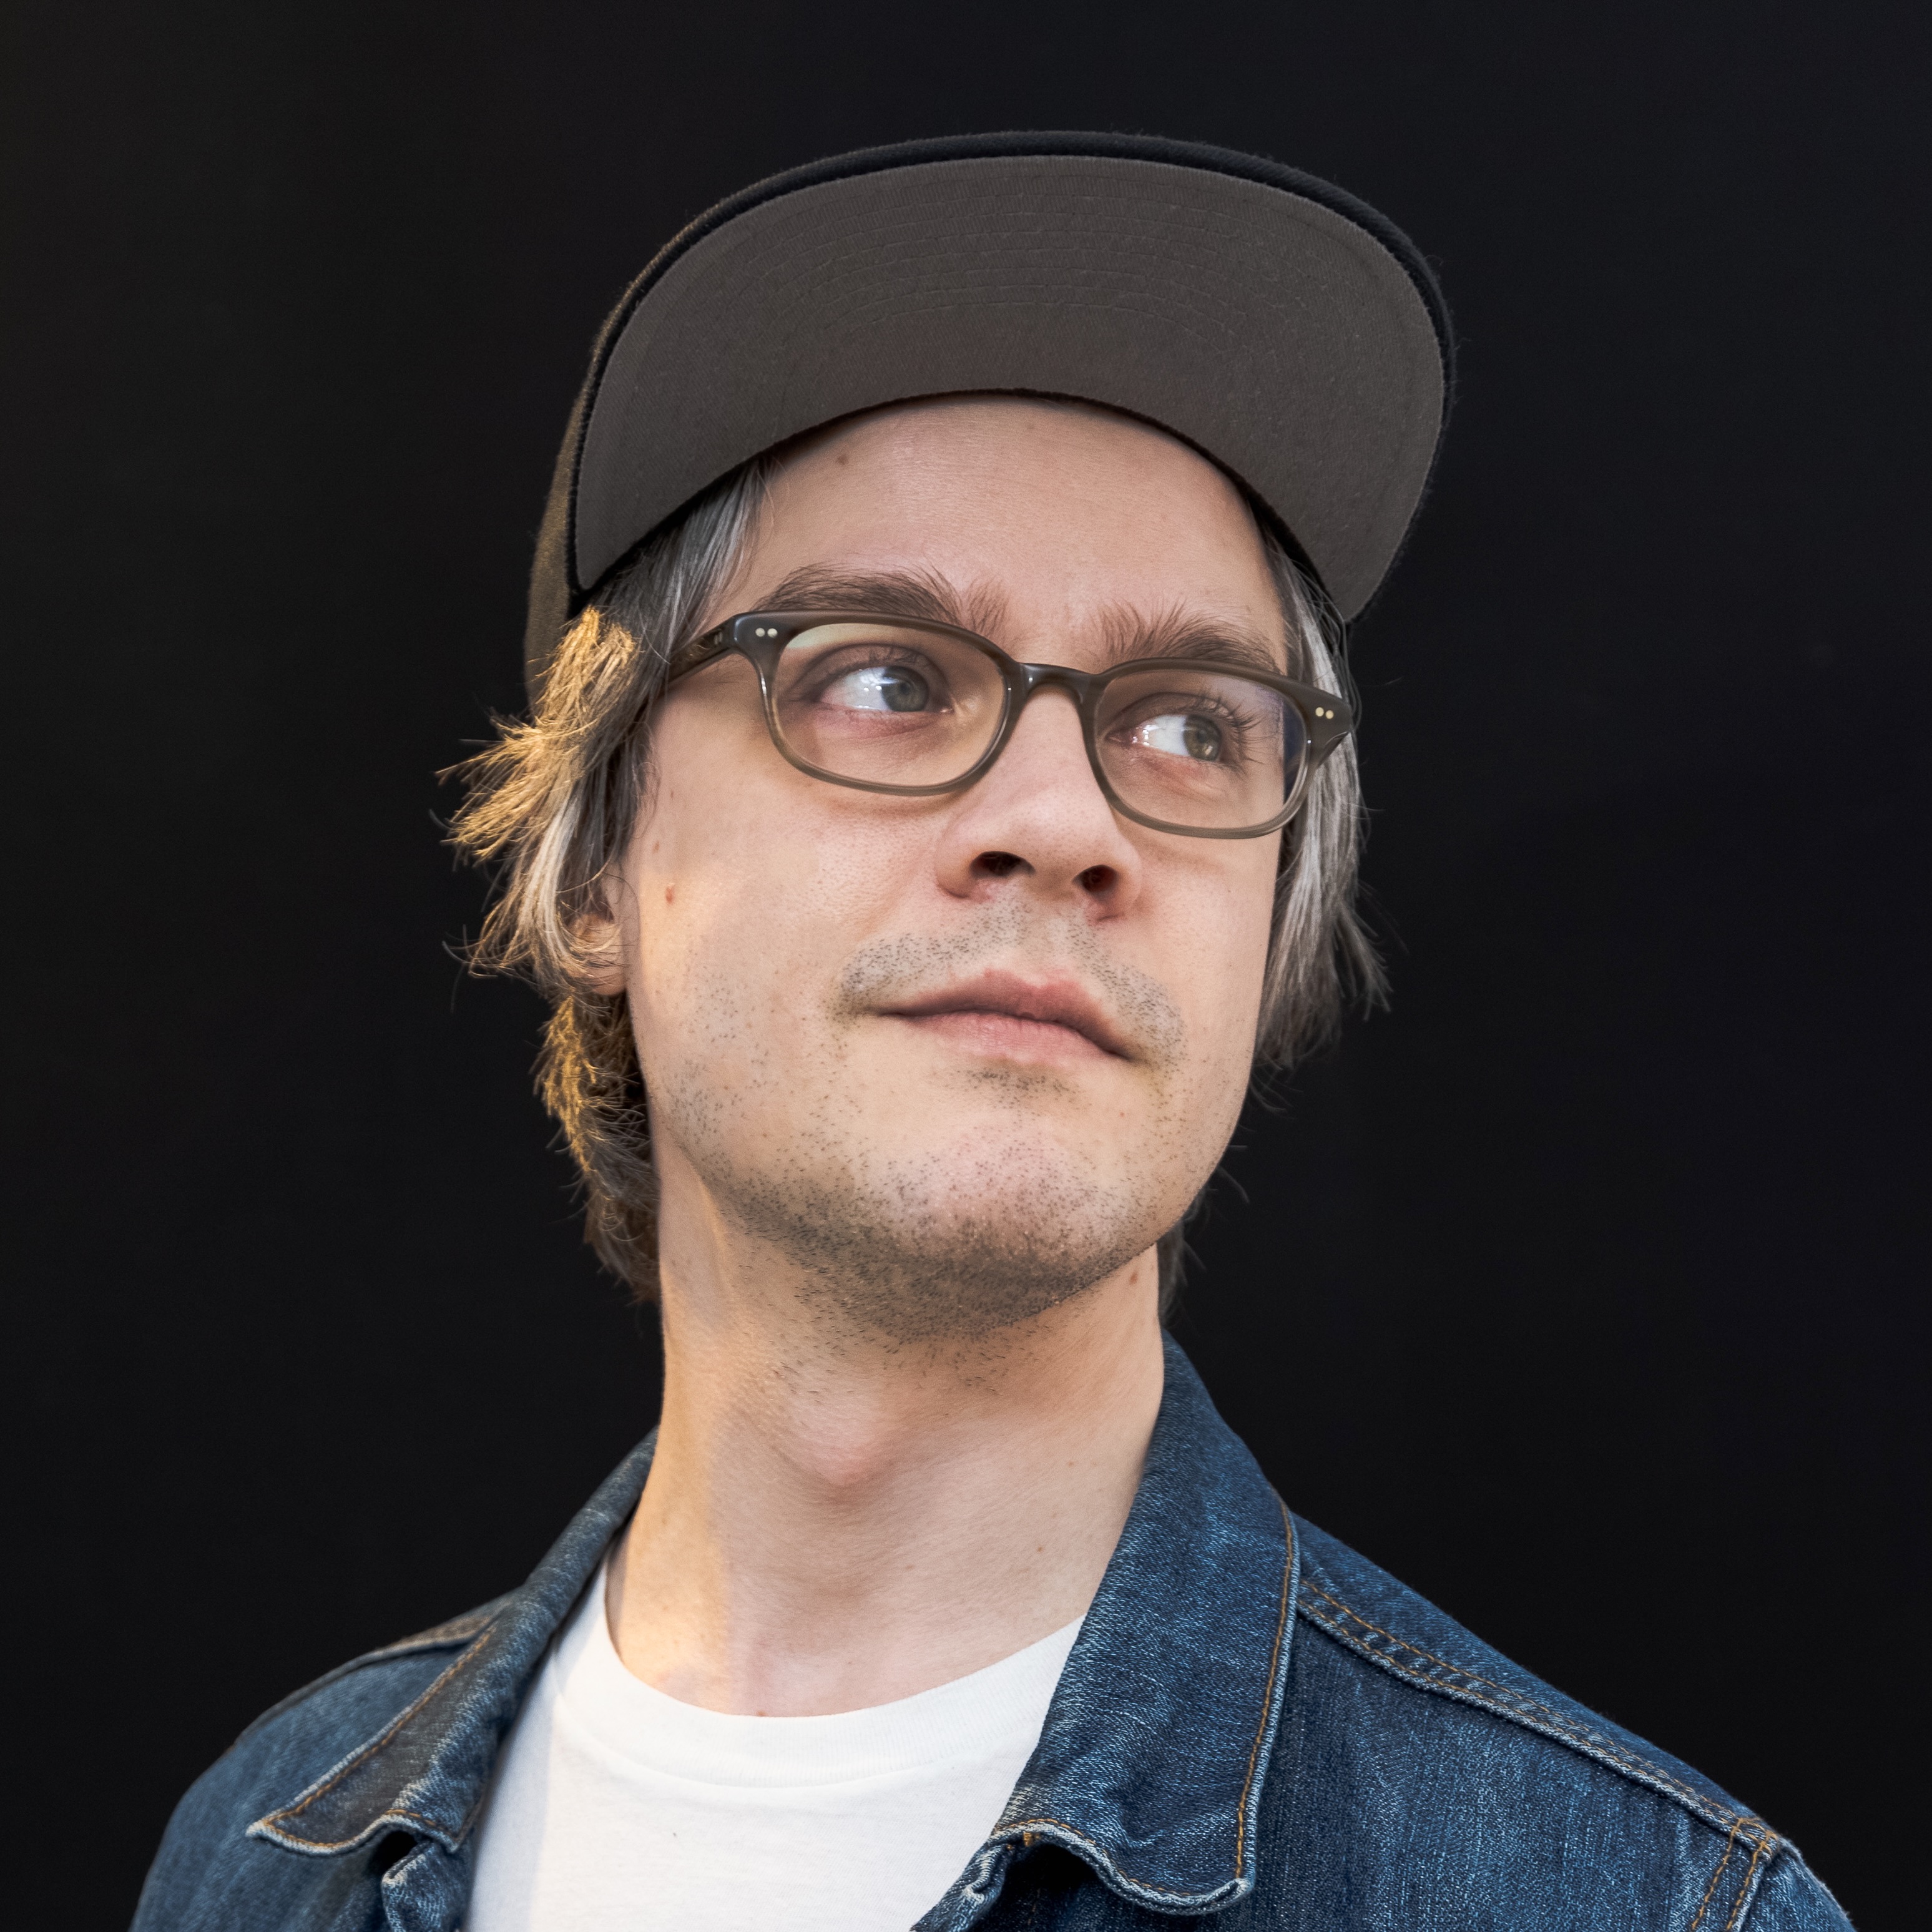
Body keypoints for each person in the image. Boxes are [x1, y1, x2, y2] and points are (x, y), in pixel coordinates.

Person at [131, 134, 1851, 1932]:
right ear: (599, 870)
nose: (1068, 817)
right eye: (882, 677)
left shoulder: (1641, 1909)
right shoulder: (257, 1860)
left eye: (1192, 725)